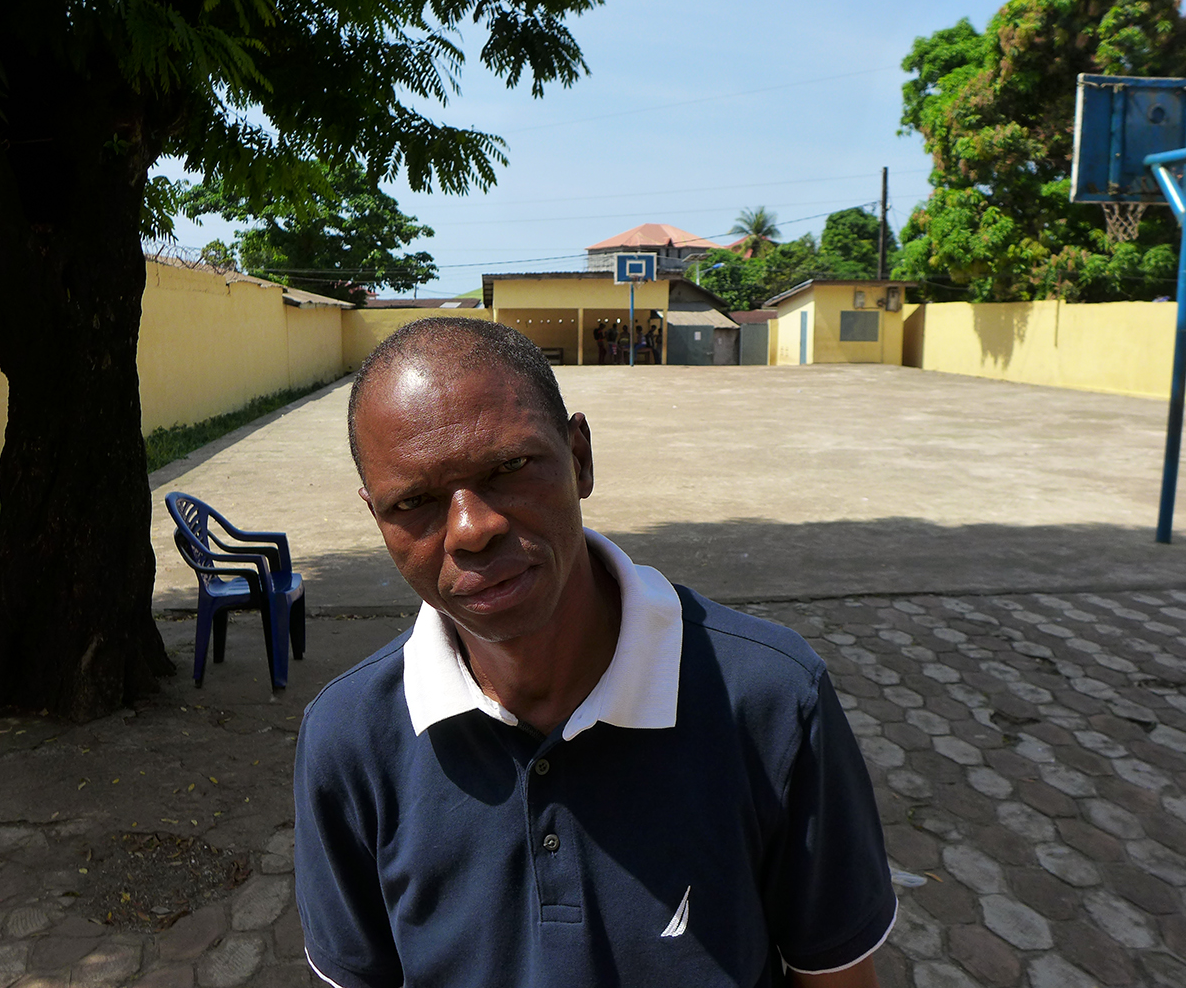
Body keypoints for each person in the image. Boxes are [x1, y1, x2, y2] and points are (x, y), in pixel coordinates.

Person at [295, 317, 895, 988]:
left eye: (510, 466)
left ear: (579, 456)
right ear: (377, 516)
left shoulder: (773, 699)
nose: (471, 528)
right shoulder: (349, 738)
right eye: (414, 501)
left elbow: (836, 976)